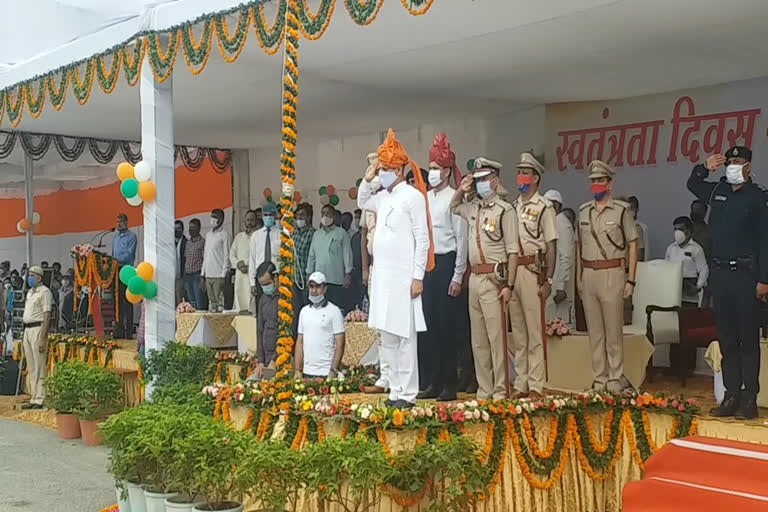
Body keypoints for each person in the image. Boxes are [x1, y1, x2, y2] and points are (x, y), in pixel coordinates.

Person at [687, 146, 768, 419]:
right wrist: (704, 167)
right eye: (730, 162)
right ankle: (731, 394)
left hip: (746, 276)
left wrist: (764, 279)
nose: (733, 166)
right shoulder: (717, 192)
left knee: (748, 340)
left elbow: (765, 241)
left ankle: (749, 398)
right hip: (720, 275)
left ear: (748, 165)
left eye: (738, 161)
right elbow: (693, 184)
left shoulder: (757, 197)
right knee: (727, 339)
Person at [357, 129, 433, 408]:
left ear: (400, 169)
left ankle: (408, 394)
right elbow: (362, 202)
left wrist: (417, 277)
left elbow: (422, 239)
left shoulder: (412, 197)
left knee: (404, 336)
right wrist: (368, 179)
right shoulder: (383, 196)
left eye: (387, 169)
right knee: (387, 335)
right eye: (382, 169)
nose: (384, 173)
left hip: (404, 278)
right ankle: (394, 390)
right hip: (382, 277)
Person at [451, 157, 518, 399]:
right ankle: (485, 388)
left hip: (494, 278)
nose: (479, 184)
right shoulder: (473, 207)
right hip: (475, 279)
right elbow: (453, 206)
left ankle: (500, 389)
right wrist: (462, 187)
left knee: (496, 338)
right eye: (476, 179)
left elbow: (513, 251)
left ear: (495, 180)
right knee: (478, 340)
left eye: (483, 179)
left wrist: (509, 284)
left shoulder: (504, 210)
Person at [577, 160, 638, 393]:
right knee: (595, 332)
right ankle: (599, 379)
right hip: (589, 273)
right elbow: (578, 247)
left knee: (613, 330)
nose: (596, 185)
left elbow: (633, 244)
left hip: (612, 272)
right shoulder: (583, 211)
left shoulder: (621, 210)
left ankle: (615, 378)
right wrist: (579, 278)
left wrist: (630, 279)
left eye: (600, 180)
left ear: (609, 183)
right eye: (593, 181)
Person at [418, 132, 467, 401]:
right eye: (432, 169)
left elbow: (461, 241)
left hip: (447, 263)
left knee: (448, 326)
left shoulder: (453, 198)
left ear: (447, 171)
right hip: (428, 265)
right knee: (430, 325)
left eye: (437, 169)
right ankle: (433, 381)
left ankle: (450, 382)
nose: (433, 173)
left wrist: (458, 275)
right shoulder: (425, 197)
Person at [508, 154, 557, 400]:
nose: (521, 177)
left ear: (536, 178)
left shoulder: (543, 207)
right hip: (514, 271)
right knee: (518, 331)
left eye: (526, 172)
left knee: (534, 331)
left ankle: (536, 384)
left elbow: (551, 244)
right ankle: (521, 382)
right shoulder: (513, 206)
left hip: (532, 271)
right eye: (519, 171)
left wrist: (549, 279)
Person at [294, 272, 346, 379]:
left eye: (318, 286)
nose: (314, 290)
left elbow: (340, 344)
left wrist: (333, 370)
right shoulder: (304, 311)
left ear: (325, 288)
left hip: (326, 372)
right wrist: (298, 370)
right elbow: (300, 342)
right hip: (307, 372)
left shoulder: (334, 311)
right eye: (311, 286)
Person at [307, 204, 353, 312]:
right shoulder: (317, 234)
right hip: (319, 280)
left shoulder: (341, 233)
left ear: (333, 216)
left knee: (335, 310)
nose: (325, 216)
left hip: (336, 279)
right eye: (323, 213)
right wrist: (308, 273)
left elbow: (347, 254)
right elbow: (311, 255)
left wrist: (348, 273)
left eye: (328, 214)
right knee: (319, 310)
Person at [21, 266, 53, 409]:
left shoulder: (44, 292)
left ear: (39, 277)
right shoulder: (30, 293)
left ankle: (41, 397)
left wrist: (43, 337)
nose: (30, 278)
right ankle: (34, 396)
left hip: (37, 328)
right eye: (29, 275)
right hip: (27, 329)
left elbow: (47, 315)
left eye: (33, 275)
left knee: (39, 364)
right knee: (31, 365)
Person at [543, 189, 575, 326]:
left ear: (557, 206)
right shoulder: (551, 222)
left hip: (559, 286)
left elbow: (567, 256)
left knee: (562, 325)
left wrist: (561, 287)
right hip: (551, 282)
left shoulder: (561, 223)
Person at [664, 216, 709, 305]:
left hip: (689, 290)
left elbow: (704, 269)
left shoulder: (696, 249)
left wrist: (698, 286)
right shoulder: (670, 248)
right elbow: (665, 267)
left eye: (681, 229)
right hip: (672, 290)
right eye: (675, 229)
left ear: (688, 231)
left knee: (688, 316)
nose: (677, 232)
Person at [249, 203, 281, 308]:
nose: (268, 217)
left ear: (275, 216)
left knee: (276, 307)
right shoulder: (256, 235)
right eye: (265, 215)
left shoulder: (281, 234)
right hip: (261, 278)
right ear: (262, 217)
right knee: (262, 308)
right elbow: (252, 259)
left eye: (270, 215)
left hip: (276, 277)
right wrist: (252, 283)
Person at [112, 213, 137, 337]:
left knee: (127, 301)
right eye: (117, 221)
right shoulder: (115, 238)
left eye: (121, 221)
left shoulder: (132, 236)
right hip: (115, 271)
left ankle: (128, 331)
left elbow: (129, 255)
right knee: (117, 302)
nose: (118, 224)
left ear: (126, 222)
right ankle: (119, 330)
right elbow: (113, 254)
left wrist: (115, 259)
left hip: (126, 271)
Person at [202, 209, 231, 312]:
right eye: (212, 216)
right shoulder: (208, 235)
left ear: (221, 219)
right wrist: (203, 273)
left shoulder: (224, 234)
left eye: (215, 217)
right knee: (211, 303)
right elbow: (205, 255)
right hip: (208, 274)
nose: (212, 219)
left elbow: (227, 255)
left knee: (219, 304)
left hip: (219, 274)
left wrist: (224, 274)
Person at [230, 210, 258, 313]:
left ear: (256, 221)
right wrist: (238, 264)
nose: (249, 222)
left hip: (252, 272)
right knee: (239, 296)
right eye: (248, 220)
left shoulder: (258, 235)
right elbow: (232, 254)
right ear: (244, 222)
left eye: (252, 220)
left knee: (251, 299)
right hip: (240, 272)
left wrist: (248, 265)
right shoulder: (239, 237)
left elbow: (259, 255)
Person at [255, 261, 279, 376]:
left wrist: (274, 360)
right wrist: (260, 361)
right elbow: (259, 330)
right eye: (262, 285)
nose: (265, 288)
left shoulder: (286, 298)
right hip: (265, 359)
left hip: (280, 358)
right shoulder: (263, 299)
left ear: (275, 278)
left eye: (267, 284)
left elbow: (288, 333)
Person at [293, 203, 316, 323]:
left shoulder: (313, 233)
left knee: (308, 310)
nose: (299, 218)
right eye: (297, 215)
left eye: (302, 215)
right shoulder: (293, 233)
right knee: (296, 312)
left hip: (307, 280)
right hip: (294, 279)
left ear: (308, 217)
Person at [183, 218, 206, 309]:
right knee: (191, 303)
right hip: (188, 276)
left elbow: (205, 259)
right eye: (190, 227)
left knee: (199, 301)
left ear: (199, 228)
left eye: (193, 227)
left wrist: (203, 277)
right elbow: (186, 259)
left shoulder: (202, 242)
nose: (191, 230)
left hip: (197, 275)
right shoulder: (188, 242)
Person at [628, 196, 649, 260]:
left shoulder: (642, 227)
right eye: (628, 208)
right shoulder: (623, 226)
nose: (630, 211)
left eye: (632, 208)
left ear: (637, 209)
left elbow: (646, 250)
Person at [175, 220, 187, 305]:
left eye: (178, 228)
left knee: (180, 299)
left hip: (182, 275)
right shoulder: (169, 243)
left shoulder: (186, 242)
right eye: (174, 229)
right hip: (171, 276)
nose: (176, 230)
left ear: (182, 229)